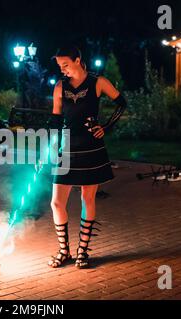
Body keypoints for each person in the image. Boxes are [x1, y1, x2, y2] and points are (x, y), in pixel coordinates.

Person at [48, 46, 127, 269]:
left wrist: (106, 126)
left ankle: (83, 252)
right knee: (56, 202)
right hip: (67, 148)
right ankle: (64, 251)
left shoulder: (98, 82)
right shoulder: (60, 87)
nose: (62, 70)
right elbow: (55, 119)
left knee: (88, 198)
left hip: (92, 148)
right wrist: (53, 144)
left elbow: (122, 103)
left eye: (66, 65)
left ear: (78, 60)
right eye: (59, 66)